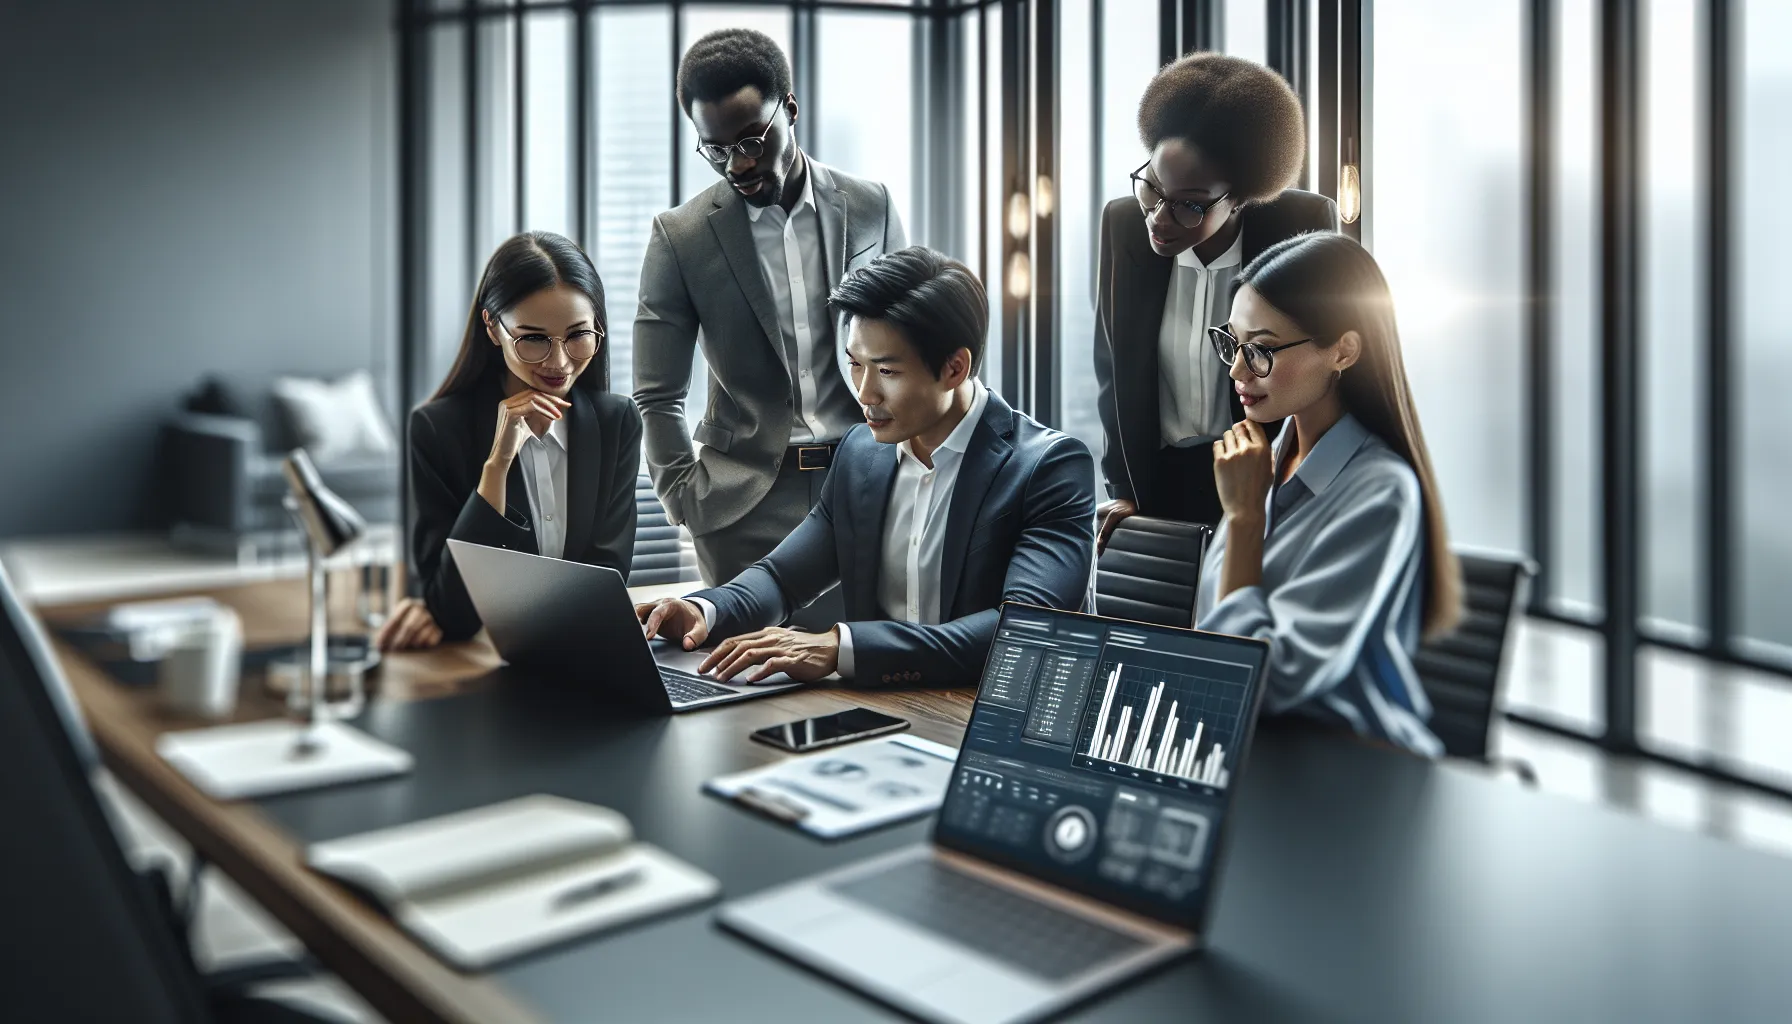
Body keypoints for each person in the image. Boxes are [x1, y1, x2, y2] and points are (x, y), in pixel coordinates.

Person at [634, 247, 1096, 687]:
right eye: (856, 364)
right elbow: (781, 578)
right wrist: (703, 611)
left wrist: (842, 647)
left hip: (992, 715)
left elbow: (1023, 630)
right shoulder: (860, 453)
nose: (865, 393)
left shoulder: (1048, 467)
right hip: (880, 712)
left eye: (887, 372)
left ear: (955, 368)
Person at [634, 28, 907, 591]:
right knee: (745, 653)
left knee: (869, 647)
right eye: (716, 149)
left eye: (751, 141)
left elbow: (914, 345)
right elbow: (657, 395)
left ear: (790, 109)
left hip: (867, 484)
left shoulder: (871, 206)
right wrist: (684, 498)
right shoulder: (680, 238)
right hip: (741, 510)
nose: (737, 165)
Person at [1196, 232, 1461, 756]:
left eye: (1261, 350)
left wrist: (1245, 520)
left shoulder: (1382, 492)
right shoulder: (1264, 460)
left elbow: (1267, 680)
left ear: (1343, 350)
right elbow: (1212, 646)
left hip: (1351, 762)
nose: (1237, 370)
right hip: (1254, 747)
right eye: (1233, 343)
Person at [1094, 52, 1338, 550]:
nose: (1158, 218)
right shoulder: (1123, 226)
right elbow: (1114, 372)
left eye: (1189, 204)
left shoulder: (1300, 226)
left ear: (1241, 197)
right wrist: (1124, 489)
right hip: (1157, 484)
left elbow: (1323, 376)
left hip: (1266, 478)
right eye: (1152, 188)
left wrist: (1298, 490)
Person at [377, 232, 642, 650]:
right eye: (533, 338)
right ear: (492, 327)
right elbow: (452, 612)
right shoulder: (437, 430)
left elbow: (606, 581)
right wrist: (497, 466)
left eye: (578, 335)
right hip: (483, 665)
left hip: (582, 656)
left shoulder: (617, 422)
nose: (559, 362)